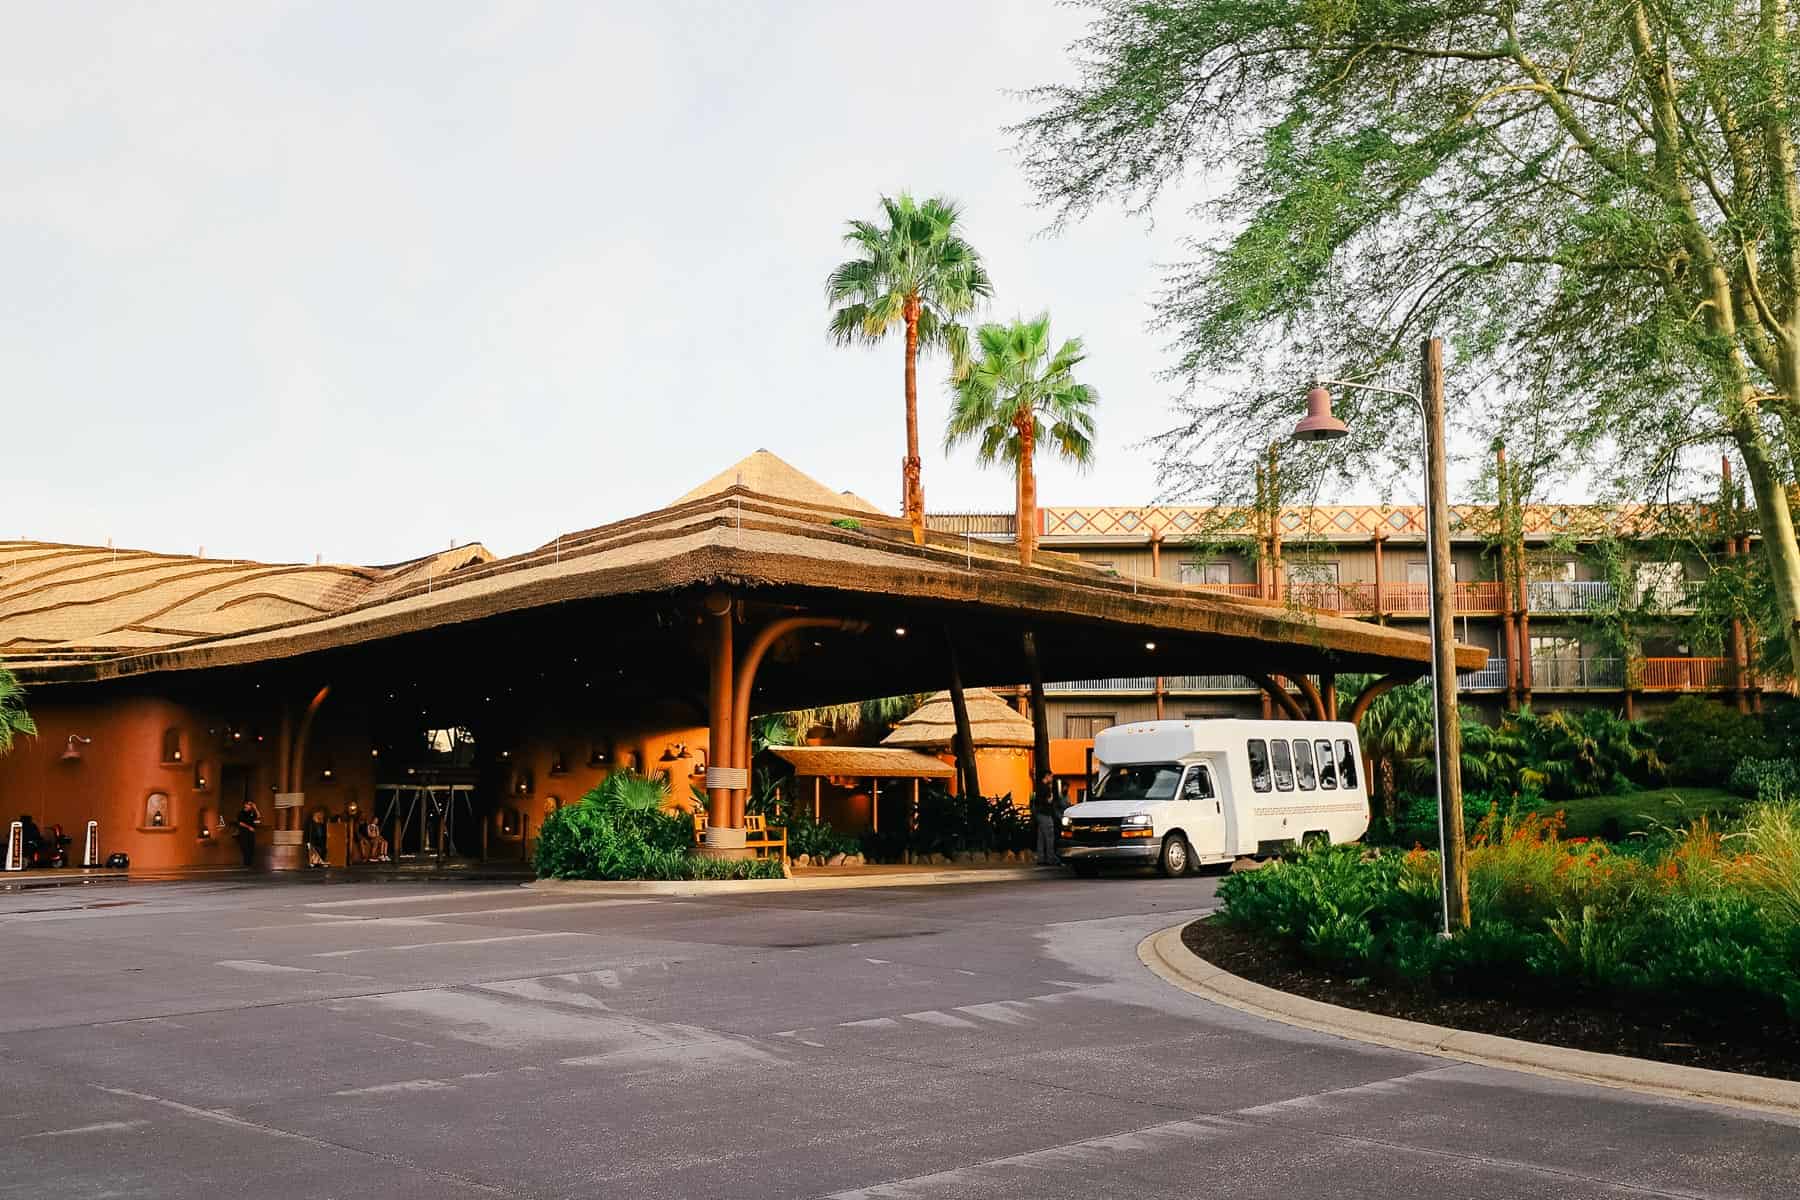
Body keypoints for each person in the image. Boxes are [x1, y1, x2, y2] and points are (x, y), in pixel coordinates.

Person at [1031, 771, 1065, 866]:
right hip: (1046, 814)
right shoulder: (1045, 788)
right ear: (1047, 776)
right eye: (1051, 776)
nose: (1052, 778)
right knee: (1049, 837)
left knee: (1041, 837)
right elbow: (1047, 801)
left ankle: (1041, 858)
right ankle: (1050, 858)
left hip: (1039, 814)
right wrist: (1050, 800)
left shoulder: (1038, 787)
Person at [234, 796, 261, 868]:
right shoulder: (241, 813)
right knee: (245, 847)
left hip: (251, 833)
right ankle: (246, 863)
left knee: (251, 847)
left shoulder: (251, 812)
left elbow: (258, 816)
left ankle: (249, 863)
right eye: (249, 804)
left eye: (251, 804)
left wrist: (255, 808)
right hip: (243, 832)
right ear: (245, 805)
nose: (250, 806)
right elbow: (240, 823)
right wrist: (249, 827)